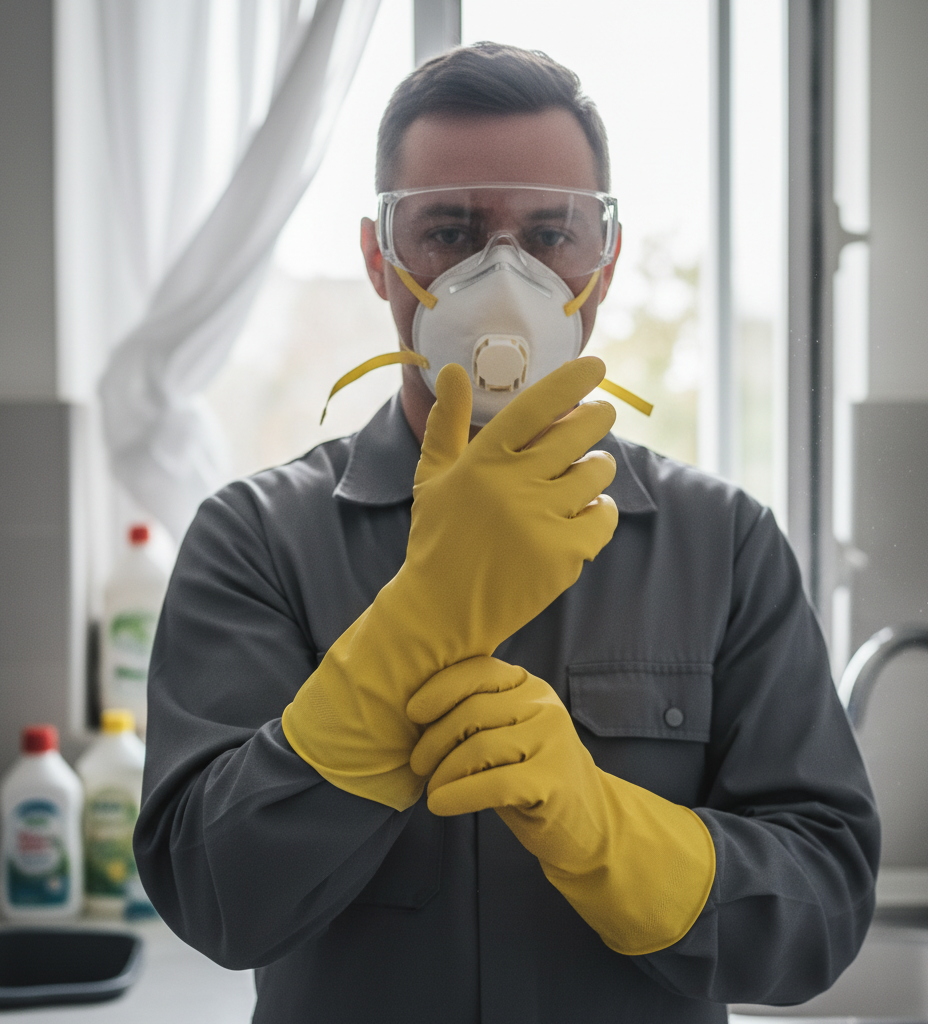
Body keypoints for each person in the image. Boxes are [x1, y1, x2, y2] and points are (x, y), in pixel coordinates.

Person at [135, 43, 879, 1024]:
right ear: (378, 258)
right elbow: (211, 895)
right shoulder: (254, 539)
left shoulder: (725, 543)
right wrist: (417, 624)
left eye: (549, 233)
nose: (503, 275)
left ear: (602, 261)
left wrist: (604, 828)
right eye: (447, 229)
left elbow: (820, 909)